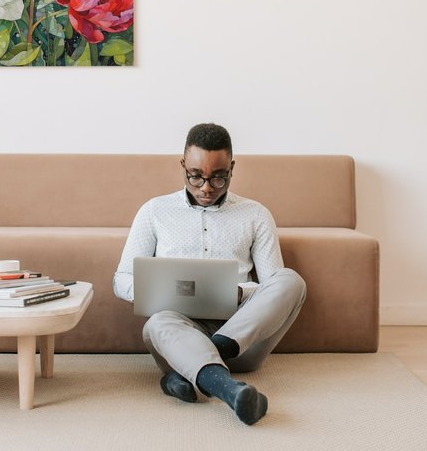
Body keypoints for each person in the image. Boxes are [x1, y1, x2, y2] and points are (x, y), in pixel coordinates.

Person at [113, 123, 306, 425]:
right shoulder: (154, 211)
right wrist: (155, 291)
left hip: (243, 339)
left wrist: (241, 293)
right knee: (158, 323)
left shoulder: (256, 214)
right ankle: (230, 390)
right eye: (196, 176)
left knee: (292, 281)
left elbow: (273, 286)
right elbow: (121, 278)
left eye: (218, 177)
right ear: (182, 166)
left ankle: (189, 370)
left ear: (232, 168)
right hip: (179, 333)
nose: (206, 188)